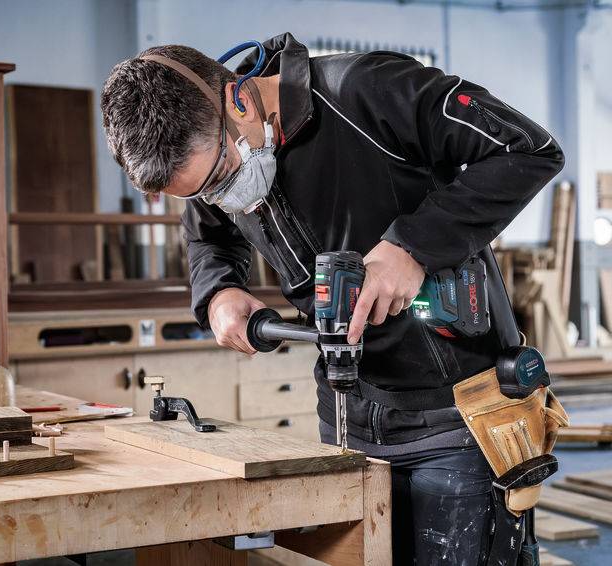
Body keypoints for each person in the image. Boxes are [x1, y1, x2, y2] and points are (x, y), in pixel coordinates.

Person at [101, 32, 563, 565]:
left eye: (220, 176)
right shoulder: (213, 159)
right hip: (345, 419)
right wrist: (219, 289)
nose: (222, 196)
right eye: (203, 192)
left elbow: (528, 149)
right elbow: (209, 235)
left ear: (238, 99)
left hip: (457, 414)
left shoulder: (367, 90)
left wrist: (411, 246)